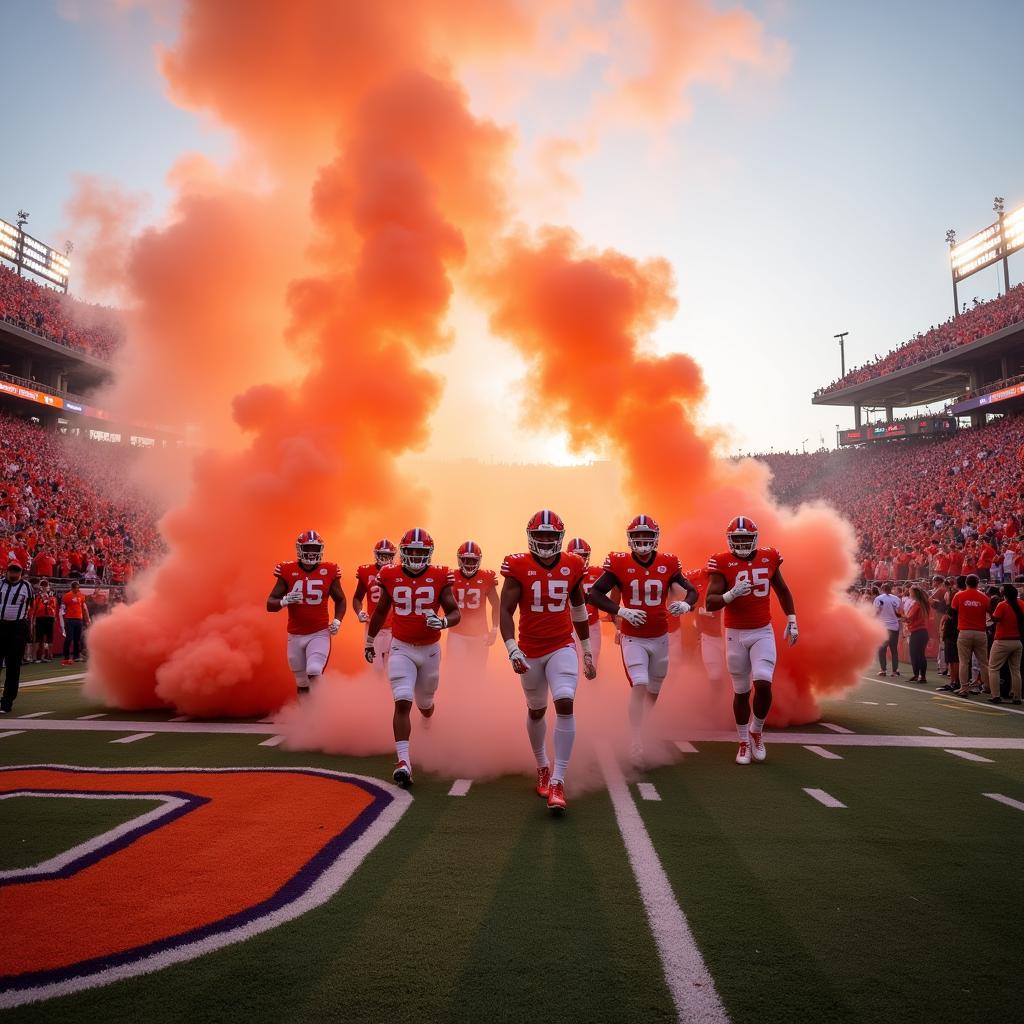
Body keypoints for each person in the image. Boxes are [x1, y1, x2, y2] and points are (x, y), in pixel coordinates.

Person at [500, 510, 596, 812]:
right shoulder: (518, 565)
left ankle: (558, 779)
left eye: (550, 536)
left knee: (565, 701)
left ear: (560, 538)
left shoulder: (572, 564)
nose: (544, 540)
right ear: (530, 537)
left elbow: (579, 609)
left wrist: (587, 649)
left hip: (561, 645)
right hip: (529, 648)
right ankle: (542, 764)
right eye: (540, 535)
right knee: (537, 710)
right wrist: (512, 647)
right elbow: (505, 611)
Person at [585, 515, 697, 766]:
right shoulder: (618, 562)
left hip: (660, 636)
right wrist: (621, 611)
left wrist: (685, 604)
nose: (642, 541)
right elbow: (594, 593)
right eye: (637, 536)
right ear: (630, 539)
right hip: (633, 637)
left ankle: (643, 724)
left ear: (656, 538)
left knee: (654, 689)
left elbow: (693, 591)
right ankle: (636, 737)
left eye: (647, 536)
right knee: (640, 683)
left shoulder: (668, 562)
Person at [365, 529, 460, 787]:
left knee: (425, 702)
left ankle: (428, 718)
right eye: (411, 551)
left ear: (429, 554)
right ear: (403, 553)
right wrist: (370, 640)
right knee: (402, 700)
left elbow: (454, 613)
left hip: (430, 650)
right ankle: (404, 762)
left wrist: (441, 621)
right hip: (401, 647)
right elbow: (381, 609)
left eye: (421, 552)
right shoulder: (390, 575)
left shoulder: (440, 575)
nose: (416, 556)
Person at [705, 515, 798, 766]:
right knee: (741, 691)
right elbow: (710, 601)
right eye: (738, 538)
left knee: (764, 682)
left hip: (761, 630)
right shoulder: (721, 561)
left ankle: (757, 731)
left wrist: (792, 618)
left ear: (755, 538)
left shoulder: (768, 557)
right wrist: (730, 594)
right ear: (730, 540)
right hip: (735, 633)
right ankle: (743, 740)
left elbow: (782, 590)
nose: (743, 543)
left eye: (747, 538)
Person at [266, 530, 345, 697]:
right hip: (295, 634)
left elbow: (340, 599)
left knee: (314, 670)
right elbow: (270, 604)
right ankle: (306, 717)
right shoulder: (287, 569)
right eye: (308, 547)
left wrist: (338, 620)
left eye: (315, 548)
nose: (311, 552)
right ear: (299, 549)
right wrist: (284, 601)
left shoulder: (329, 570)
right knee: (301, 681)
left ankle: (320, 710)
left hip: (319, 632)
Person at [446, 540, 498, 678]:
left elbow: (496, 605)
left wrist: (494, 629)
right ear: (459, 560)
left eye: (472, 560)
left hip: (479, 634)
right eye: (466, 560)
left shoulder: (487, 577)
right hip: (457, 633)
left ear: (479, 560)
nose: (469, 564)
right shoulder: (451, 577)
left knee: (477, 673)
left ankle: (475, 698)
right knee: (455, 672)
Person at [352, 539, 397, 673]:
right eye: (382, 555)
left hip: (395, 626)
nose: (384, 559)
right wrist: (359, 612)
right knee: (376, 669)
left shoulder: (400, 572)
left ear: (393, 556)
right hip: (373, 626)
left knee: (393, 668)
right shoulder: (365, 571)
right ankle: (377, 692)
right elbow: (357, 597)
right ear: (376, 555)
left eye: (388, 556)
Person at [0, 561, 32, 714]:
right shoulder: (0, 584)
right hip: (0, 626)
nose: (14, 574)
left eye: (17, 571)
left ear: (21, 572)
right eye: (11, 570)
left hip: (17, 628)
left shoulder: (27, 587)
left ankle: (7, 701)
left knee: (13, 667)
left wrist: (27, 628)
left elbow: (30, 607)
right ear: (7, 571)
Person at [951, 574, 991, 698]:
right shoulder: (984, 597)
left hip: (964, 631)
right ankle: (988, 687)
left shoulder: (959, 595)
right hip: (980, 632)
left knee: (964, 662)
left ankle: (964, 688)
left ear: (966, 583)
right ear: (977, 583)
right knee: (984, 662)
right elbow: (990, 614)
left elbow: (952, 612)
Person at [568, 538, 604, 666]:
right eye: (576, 556)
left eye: (583, 556)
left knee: (593, 658)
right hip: (570, 626)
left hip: (592, 624)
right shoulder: (562, 573)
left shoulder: (598, 572)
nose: (580, 559)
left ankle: (592, 685)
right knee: (572, 658)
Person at [987, 583, 1023, 705]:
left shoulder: (1002, 605)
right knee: (1016, 670)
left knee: (993, 668)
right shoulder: (1021, 604)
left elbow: (996, 619)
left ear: (1004, 594)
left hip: (1002, 640)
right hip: (1017, 641)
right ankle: (1017, 696)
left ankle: (996, 695)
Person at [873, 582, 902, 677]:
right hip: (894, 627)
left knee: (882, 649)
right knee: (894, 649)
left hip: (883, 627)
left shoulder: (879, 599)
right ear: (890, 590)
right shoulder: (896, 599)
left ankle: (883, 670)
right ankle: (895, 671)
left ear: (882, 589)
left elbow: (876, 612)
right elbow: (900, 613)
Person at [904, 585, 931, 683]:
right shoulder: (923, 603)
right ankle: (921, 676)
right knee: (921, 655)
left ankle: (917, 675)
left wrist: (898, 616)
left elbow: (909, 618)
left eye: (910, 592)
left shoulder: (917, 604)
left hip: (916, 632)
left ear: (914, 593)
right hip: (922, 632)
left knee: (915, 655)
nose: (909, 593)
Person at [60, 579, 91, 664]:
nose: (77, 589)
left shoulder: (81, 596)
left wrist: (87, 619)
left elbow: (84, 608)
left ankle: (76, 656)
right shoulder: (66, 596)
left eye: (78, 588)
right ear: (72, 588)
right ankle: (66, 656)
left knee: (77, 638)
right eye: (76, 588)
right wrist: (63, 619)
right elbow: (62, 609)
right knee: (69, 638)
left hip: (79, 619)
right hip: (70, 619)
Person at [30, 578, 57, 663]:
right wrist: (33, 619)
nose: (44, 587)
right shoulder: (37, 596)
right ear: (40, 586)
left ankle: (48, 656)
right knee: (38, 638)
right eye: (43, 585)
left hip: (49, 617)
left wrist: (54, 616)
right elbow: (34, 608)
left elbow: (54, 607)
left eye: (46, 585)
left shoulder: (52, 595)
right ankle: (34, 657)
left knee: (49, 638)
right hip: (40, 618)